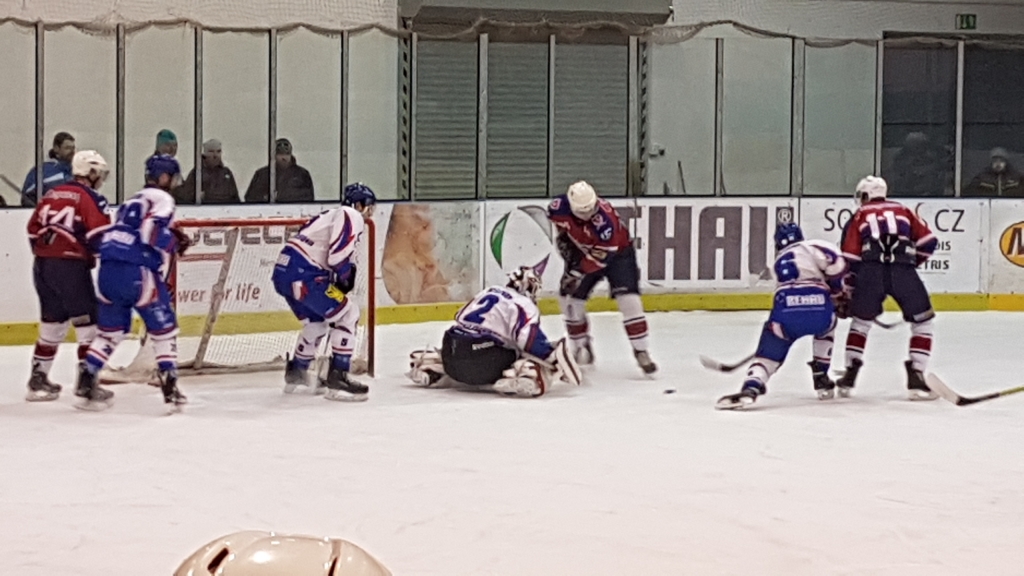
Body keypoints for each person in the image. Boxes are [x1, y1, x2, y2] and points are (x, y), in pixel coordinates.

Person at [76, 154, 191, 412]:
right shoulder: (163, 198)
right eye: (172, 178)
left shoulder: (131, 200)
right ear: (164, 177)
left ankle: (88, 376)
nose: (174, 183)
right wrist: (174, 243)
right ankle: (170, 383)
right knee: (164, 329)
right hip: (137, 271)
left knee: (111, 331)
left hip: (108, 270)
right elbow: (150, 232)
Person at [716, 224, 848, 410]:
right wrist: (837, 293)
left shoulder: (778, 262)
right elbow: (836, 264)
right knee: (828, 327)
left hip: (785, 310)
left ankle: (752, 386)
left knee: (768, 354)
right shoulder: (812, 246)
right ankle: (821, 376)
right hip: (818, 306)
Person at [836, 175, 939, 400]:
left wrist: (850, 290)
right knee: (923, 321)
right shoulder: (904, 210)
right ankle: (917, 377)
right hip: (903, 271)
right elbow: (929, 242)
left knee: (861, 322)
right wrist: (911, 263)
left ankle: (850, 374)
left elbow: (850, 257)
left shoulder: (859, 215)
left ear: (864, 196)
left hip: (870, 272)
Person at [406, 267, 582, 398]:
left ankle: (431, 367)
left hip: (451, 353)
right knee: (521, 353)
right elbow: (530, 341)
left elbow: (460, 317)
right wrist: (551, 357)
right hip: (483, 364)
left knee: (468, 343)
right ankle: (524, 376)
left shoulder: (488, 291)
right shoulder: (523, 304)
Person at [271, 183, 376, 401]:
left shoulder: (330, 214)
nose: (370, 212)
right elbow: (337, 257)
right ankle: (338, 376)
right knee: (348, 314)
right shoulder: (351, 214)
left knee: (317, 322)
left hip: (284, 272)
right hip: (305, 275)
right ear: (358, 204)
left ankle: (297, 372)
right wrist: (345, 276)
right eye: (368, 206)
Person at [24, 151, 111, 401]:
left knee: (53, 323)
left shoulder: (50, 195)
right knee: (89, 326)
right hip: (71, 268)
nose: (101, 179)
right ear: (90, 172)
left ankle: (37, 381)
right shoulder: (91, 198)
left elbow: (32, 231)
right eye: (99, 173)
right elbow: (99, 237)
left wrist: (48, 255)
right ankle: (87, 384)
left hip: (42, 267)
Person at [547, 180, 657, 375]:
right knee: (568, 300)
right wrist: (566, 244)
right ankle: (581, 345)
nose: (588, 214)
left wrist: (576, 272)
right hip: (584, 253)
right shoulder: (557, 208)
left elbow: (603, 257)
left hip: (618, 256)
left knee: (629, 301)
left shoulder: (605, 222)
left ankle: (641, 350)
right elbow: (561, 228)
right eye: (582, 211)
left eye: (591, 209)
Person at [245, 138, 314, 203]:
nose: (283, 157)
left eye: (287, 154)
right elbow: (250, 198)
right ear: (274, 156)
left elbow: (308, 198)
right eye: (280, 154)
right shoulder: (262, 174)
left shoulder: (302, 174)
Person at [174, 139, 241, 205]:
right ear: (205, 154)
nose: (215, 155)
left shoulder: (226, 173)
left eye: (218, 151)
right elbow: (186, 198)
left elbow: (236, 198)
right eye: (211, 151)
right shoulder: (197, 173)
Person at [21, 132, 76, 207]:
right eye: (67, 148)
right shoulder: (42, 171)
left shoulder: (76, 171)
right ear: (56, 148)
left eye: (73, 148)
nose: (72, 151)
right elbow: (27, 197)